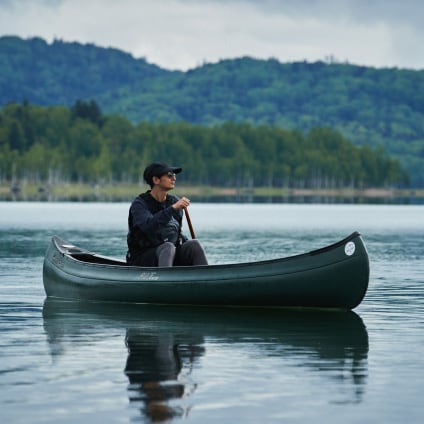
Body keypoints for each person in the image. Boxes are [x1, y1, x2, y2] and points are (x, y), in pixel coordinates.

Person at [126, 162, 208, 267]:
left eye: (174, 175)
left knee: (194, 245)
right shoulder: (139, 204)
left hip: (169, 255)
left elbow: (175, 233)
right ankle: (165, 280)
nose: (174, 178)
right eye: (169, 175)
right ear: (156, 180)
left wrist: (187, 245)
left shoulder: (174, 201)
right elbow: (149, 226)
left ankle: (206, 277)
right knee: (167, 247)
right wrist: (172, 209)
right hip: (143, 259)